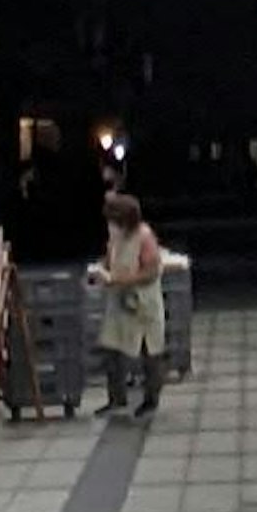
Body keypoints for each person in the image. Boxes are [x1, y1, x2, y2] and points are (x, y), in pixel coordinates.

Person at [4, 111, 103, 420]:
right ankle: (61, 381)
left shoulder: (31, 173)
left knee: (40, 319)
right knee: (64, 317)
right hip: (64, 253)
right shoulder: (71, 169)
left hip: (37, 254)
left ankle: (45, 381)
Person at [95, 168, 168, 419]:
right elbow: (109, 259)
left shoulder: (144, 237)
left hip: (142, 302)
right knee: (112, 349)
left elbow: (151, 270)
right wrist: (102, 270)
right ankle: (116, 397)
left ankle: (151, 398)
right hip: (118, 299)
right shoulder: (116, 236)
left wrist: (123, 279)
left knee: (150, 352)